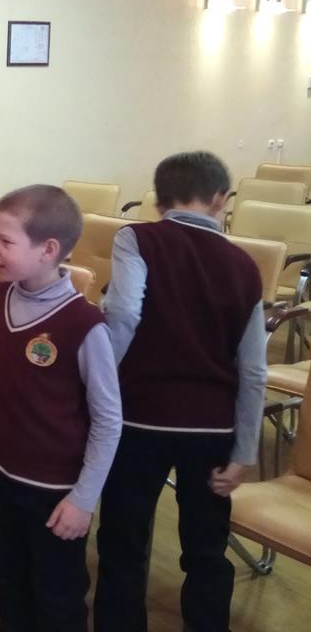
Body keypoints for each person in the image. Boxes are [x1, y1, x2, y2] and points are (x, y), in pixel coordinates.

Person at [94, 151, 267, 632]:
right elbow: (254, 370)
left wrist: (94, 387)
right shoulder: (245, 265)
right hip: (212, 429)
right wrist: (244, 451)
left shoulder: (137, 237)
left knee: (123, 544)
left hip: (138, 421)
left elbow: (123, 315)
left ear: (159, 199)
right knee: (206, 550)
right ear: (221, 199)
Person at [0, 185, 122, 632]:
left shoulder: (84, 324)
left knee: (58, 596)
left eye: (6, 240)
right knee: (7, 576)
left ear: (48, 250)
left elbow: (108, 421)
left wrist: (83, 500)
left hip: (54, 491)